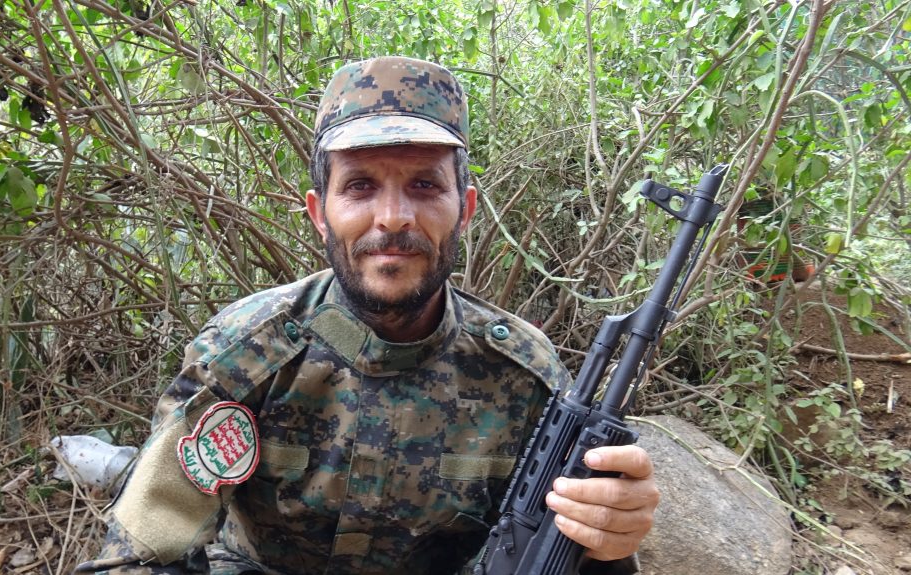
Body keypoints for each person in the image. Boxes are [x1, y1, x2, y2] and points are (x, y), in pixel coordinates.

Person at [75, 56, 659, 575]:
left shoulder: (523, 374)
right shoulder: (246, 353)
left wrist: (608, 542)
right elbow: (140, 550)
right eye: (359, 186)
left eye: (425, 185)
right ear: (319, 214)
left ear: (465, 210)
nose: (394, 217)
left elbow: (559, 549)